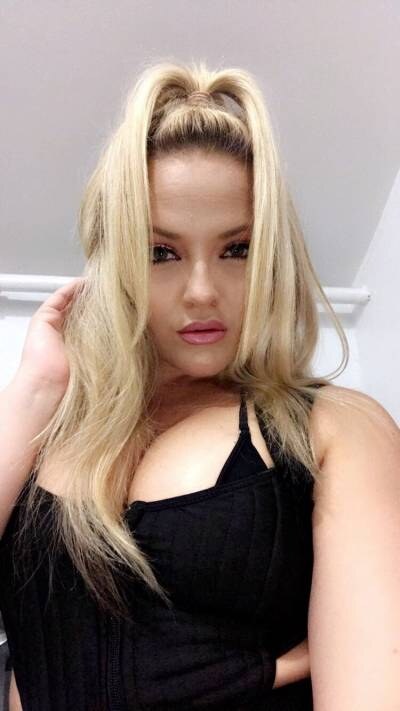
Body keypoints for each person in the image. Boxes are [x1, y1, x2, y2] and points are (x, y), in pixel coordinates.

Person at [0, 60, 399, 711]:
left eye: (237, 248)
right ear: (115, 261)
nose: (202, 291)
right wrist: (36, 388)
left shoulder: (333, 427)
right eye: (160, 252)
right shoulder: (47, 428)